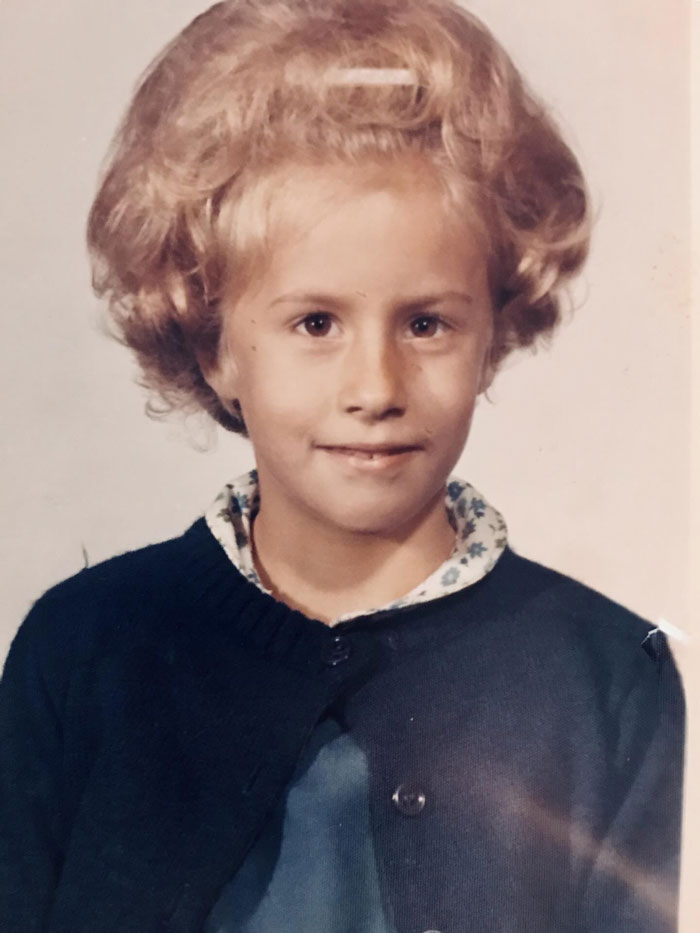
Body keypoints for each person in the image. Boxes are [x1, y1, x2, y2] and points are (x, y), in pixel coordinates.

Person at [0, 0, 685, 930]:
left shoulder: (610, 679)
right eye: (316, 323)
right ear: (214, 345)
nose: (376, 387)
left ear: (492, 337)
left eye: (426, 323)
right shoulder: (85, 649)